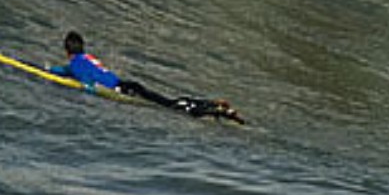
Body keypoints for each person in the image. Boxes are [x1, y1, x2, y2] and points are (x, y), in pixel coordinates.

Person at [48, 31, 244, 123]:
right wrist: (51, 71)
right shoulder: (87, 59)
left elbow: (87, 82)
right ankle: (212, 105)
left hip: (124, 91)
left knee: (172, 108)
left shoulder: (76, 65)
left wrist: (87, 91)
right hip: (127, 84)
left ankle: (215, 111)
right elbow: (65, 71)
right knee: (169, 102)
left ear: (66, 50)